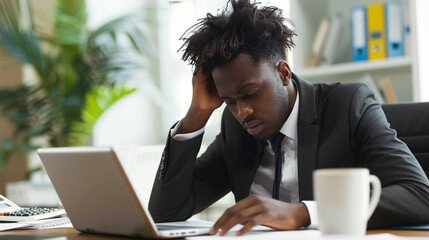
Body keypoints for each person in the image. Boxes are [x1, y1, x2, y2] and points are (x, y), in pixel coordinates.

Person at [149, 0, 429, 236]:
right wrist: (197, 114)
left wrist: (304, 213)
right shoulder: (234, 126)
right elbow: (166, 212)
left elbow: (420, 194)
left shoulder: (347, 106)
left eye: (250, 93)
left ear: (283, 72)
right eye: (229, 101)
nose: (242, 111)